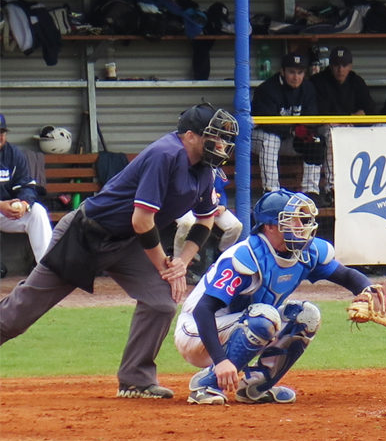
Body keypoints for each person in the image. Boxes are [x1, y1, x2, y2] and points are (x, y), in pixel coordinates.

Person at [0, 104, 238, 399]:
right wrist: (165, 265)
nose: (222, 145)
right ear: (190, 136)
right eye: (214, 137)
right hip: (87, 235)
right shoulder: (166, 154)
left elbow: (206, 219)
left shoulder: (205, 169)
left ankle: (135, 380)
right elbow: (142, 220)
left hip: (128, 243)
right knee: (19, 313)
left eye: (225, 139)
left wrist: (180, 263)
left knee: (160, 303)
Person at [177, 189, 379, 405]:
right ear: (271, 226)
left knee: (306, 316)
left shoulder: (305, 252)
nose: (301, 227)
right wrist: (221, 360)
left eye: (303, 220)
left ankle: (256, 386)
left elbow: (346, 275)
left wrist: (369, 291)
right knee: (265, 317)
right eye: (294, 221)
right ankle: (207, 384)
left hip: (240, 324)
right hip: (196, 331)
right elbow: (203, 309)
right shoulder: (247, 257)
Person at [251, 52, 324, 205]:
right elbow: (268, 123)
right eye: (291, 72)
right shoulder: (267, 89)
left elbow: (312, 119)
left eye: (300, 72)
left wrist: (302, 132)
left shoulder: (308, 88)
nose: (296, 77)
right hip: (258, 138)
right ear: (282, 71)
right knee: (271, 140)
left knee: (315, 140)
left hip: (287, 141)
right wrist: (293, 130)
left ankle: (310, 191)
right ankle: (271, 192)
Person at [309, 46, 377, 206]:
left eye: (344, 66)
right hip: (326, 131)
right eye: (336, 65)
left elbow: (369, 109)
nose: (340, 70)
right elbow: (322, 115)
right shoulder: (319, 81)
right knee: (333, 133)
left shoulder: (356, 81)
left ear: (350, 66)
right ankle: (332, 189)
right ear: (330, 66)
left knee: (378, 130)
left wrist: (349, 119)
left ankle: (371, 186)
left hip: (352, 129)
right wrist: (351, 117)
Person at [173, 166, 242, 284]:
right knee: (187, 223)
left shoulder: (215, 167)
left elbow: (220, 191)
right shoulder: (184, 165)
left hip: (210, 206)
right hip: (186, 206)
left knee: (236, 226)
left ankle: (220, 257)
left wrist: (223, 206)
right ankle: (178, 261)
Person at [0, 114, 53, 265]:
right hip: (1, 207)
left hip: (6, 212)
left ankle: (47, 272)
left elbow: (27, 185)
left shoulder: (13, 154)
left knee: (37, 212)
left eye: (1, 133)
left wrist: (24, 204)